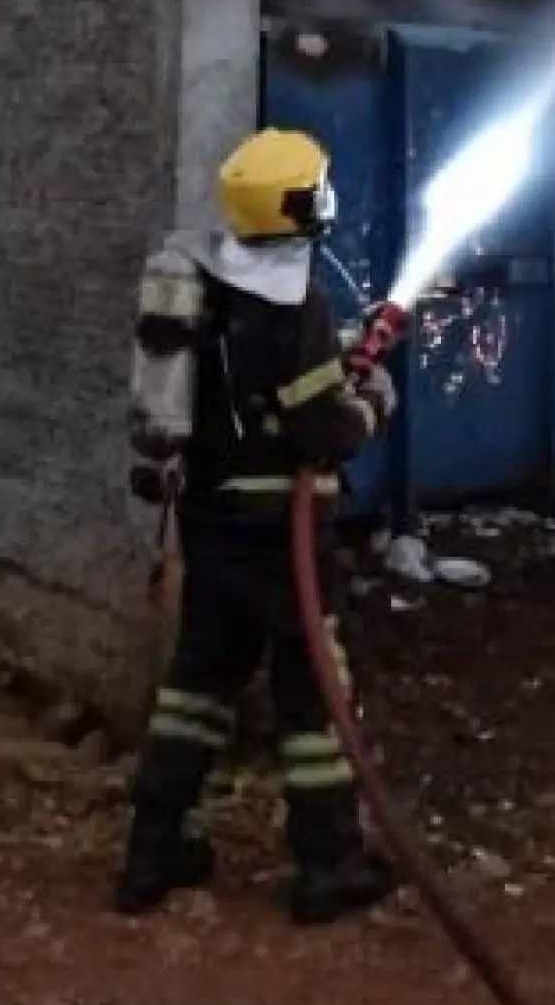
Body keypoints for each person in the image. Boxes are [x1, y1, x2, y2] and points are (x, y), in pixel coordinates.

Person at [115, 127, 399, 924]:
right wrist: (376, 399)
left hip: (213, 523)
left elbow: (259, 388)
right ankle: (329, 863)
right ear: (295, 206)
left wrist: (347, 350)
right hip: (284, 533)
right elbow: (322, 432)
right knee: (315, 693)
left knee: (199, 681)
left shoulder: (209, 280)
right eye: (317, 191)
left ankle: (152, 850)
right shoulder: (293, 299)